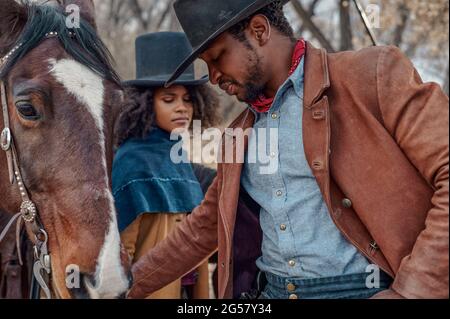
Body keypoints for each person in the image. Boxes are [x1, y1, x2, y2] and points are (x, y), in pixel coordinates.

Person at [127, 0, 449, 299]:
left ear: (259, 30)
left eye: (217, 57)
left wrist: (413, 290)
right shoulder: (237, 134)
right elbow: (203, 228)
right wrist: (122, 287)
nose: (212, 78)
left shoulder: (373, 74)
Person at [113, 32, 219, 299]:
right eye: (169, 99)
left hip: (188, 290)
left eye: (187, 99)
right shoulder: (131, 159)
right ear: (146, 104)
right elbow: (122, 250)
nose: (182, 108)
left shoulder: (177, 154)